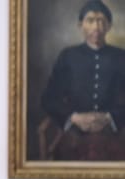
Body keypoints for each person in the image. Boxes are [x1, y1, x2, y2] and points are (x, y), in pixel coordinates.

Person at [40, 0, 125, 160]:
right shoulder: (67, 56)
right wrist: (73, 117)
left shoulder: (121, 57)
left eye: (101, 21)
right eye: (90, 20)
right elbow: (48, 99)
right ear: (81, 25)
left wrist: (109, 117)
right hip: (74, 134)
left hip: (113, 133)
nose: (96, 27)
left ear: (109, 26)